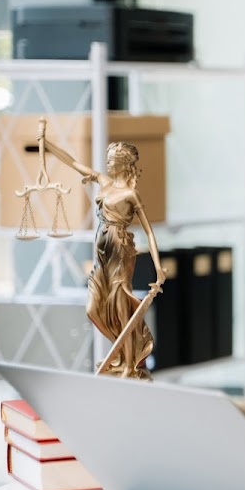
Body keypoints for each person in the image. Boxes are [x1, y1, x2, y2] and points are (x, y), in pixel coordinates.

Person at [40, 123, 165, 379]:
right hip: (102, 251)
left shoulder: (131, 194)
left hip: (120, 249)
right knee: (93, 308)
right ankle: (120, 356)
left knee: (121, 308)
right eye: (107, 159)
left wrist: (158, 268)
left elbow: (149, 232)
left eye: (112, 160)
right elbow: (73, 163)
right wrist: (48, 145)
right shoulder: (103, 182)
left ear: (123, 163)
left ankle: (129, 365)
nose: (107, 164)